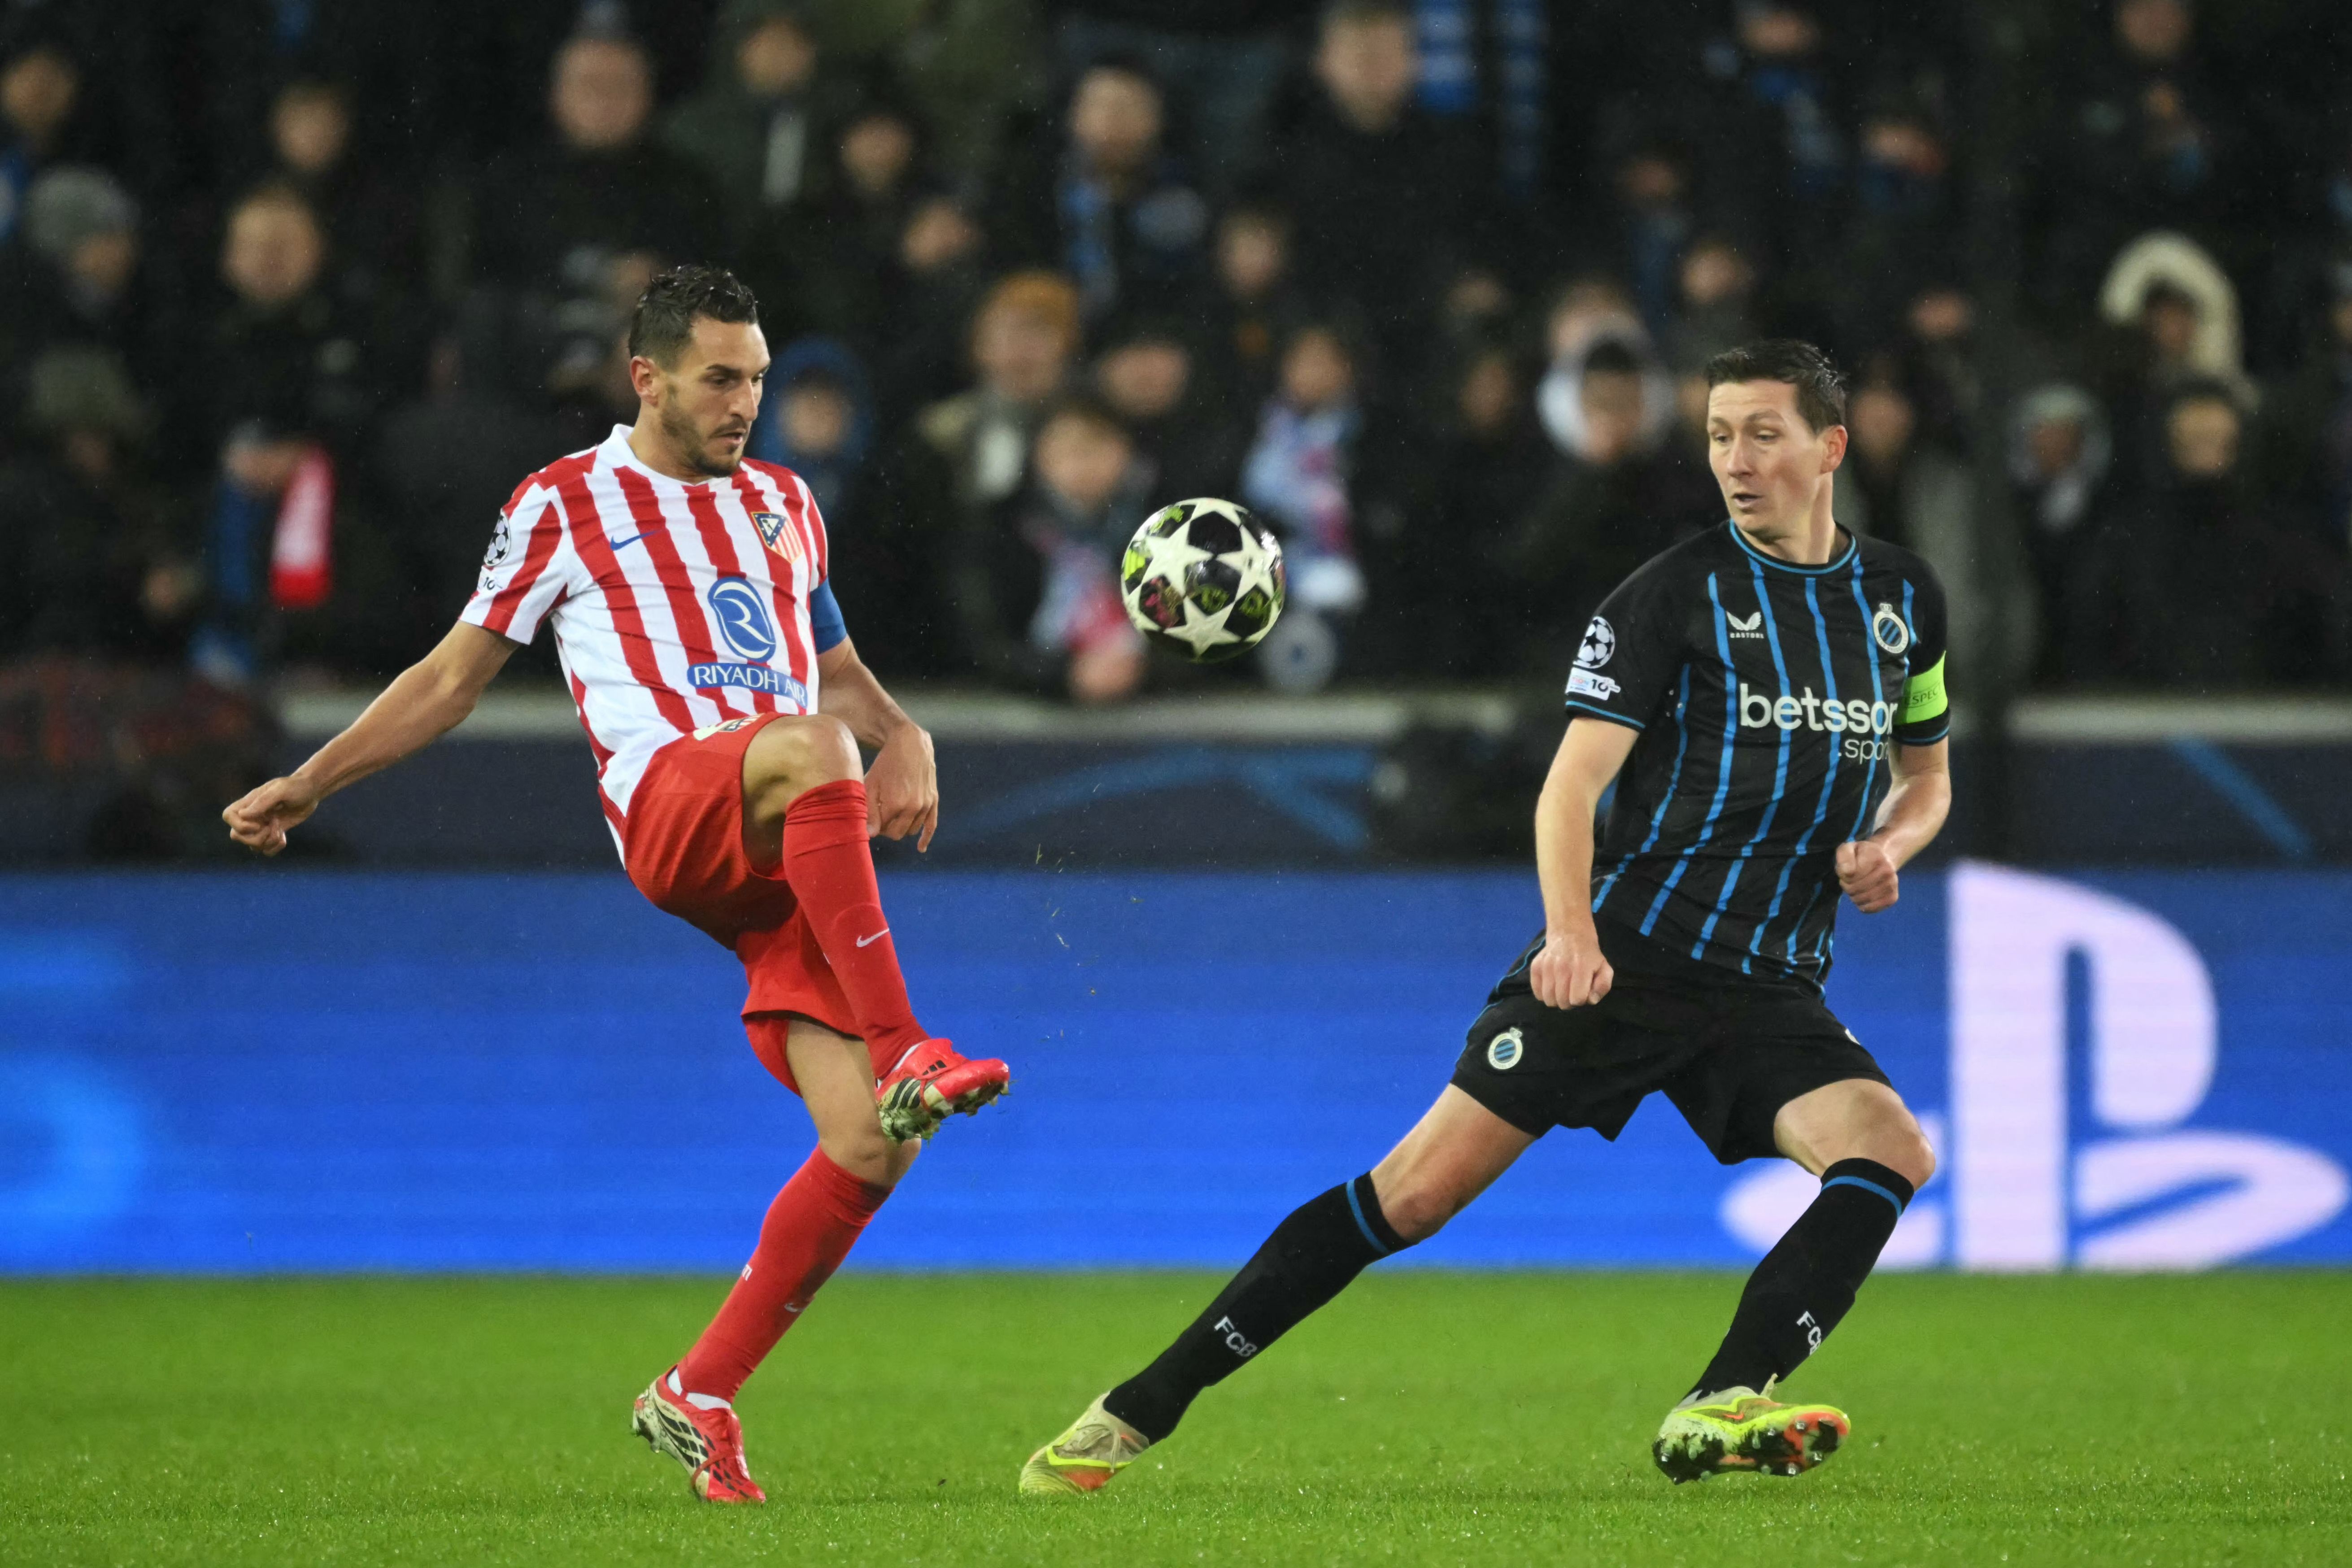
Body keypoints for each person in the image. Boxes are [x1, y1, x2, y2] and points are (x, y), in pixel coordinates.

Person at [1019, 340, 1950, 1494]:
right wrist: (1571, 934)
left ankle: (1722, 1400)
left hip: (1770, 983)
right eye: (1718, 435)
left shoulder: (1903, 598)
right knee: (1411, 1193)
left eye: (1764, 433)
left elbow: (1927, 776)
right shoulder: (1676, 592)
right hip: (1630, 956)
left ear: (1831, 447)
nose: (1738, 460)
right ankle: (1135, 1408)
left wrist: (1891, 845)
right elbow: (1570, 786)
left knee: (1889, 1148)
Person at [221, 266, 1012, 1504]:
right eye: (718, 378)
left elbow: (838, 669)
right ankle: (910, 1040)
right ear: (644, 377)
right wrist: (312, 783)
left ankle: (698, 1392)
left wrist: (904, 729)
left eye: (753, 377)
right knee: (813, 751)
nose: (743, 401)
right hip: (676, 811)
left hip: (777, 847)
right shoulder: (564, 503)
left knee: (867, 1146)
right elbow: (449, 678)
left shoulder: (785, 505)